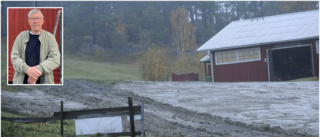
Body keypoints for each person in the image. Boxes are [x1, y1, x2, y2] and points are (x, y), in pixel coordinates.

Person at [11, 9, 60, 84]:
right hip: (21, 81)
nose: (35, 21)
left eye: (38, 18)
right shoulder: (21, 36)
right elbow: (14, 57)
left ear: (42, 21)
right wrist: (27, 69)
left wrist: (37, 71)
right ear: (29, 21)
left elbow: (55, 59)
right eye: (32, 18)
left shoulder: (50, 38)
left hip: (44, 82)